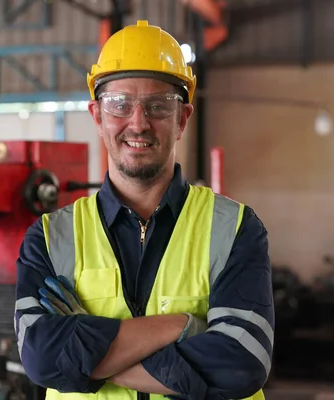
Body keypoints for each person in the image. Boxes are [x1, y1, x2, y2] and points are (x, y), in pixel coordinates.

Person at [14, 20, 273, 400]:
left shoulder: (234, 229)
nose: (138, 123)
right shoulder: (51, 237)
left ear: (182, 119)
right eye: (120, 105)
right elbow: (41, 359)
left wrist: (88, 356)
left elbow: (242, 362)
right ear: (97, 116)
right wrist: (180, 325)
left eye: (158, 106)